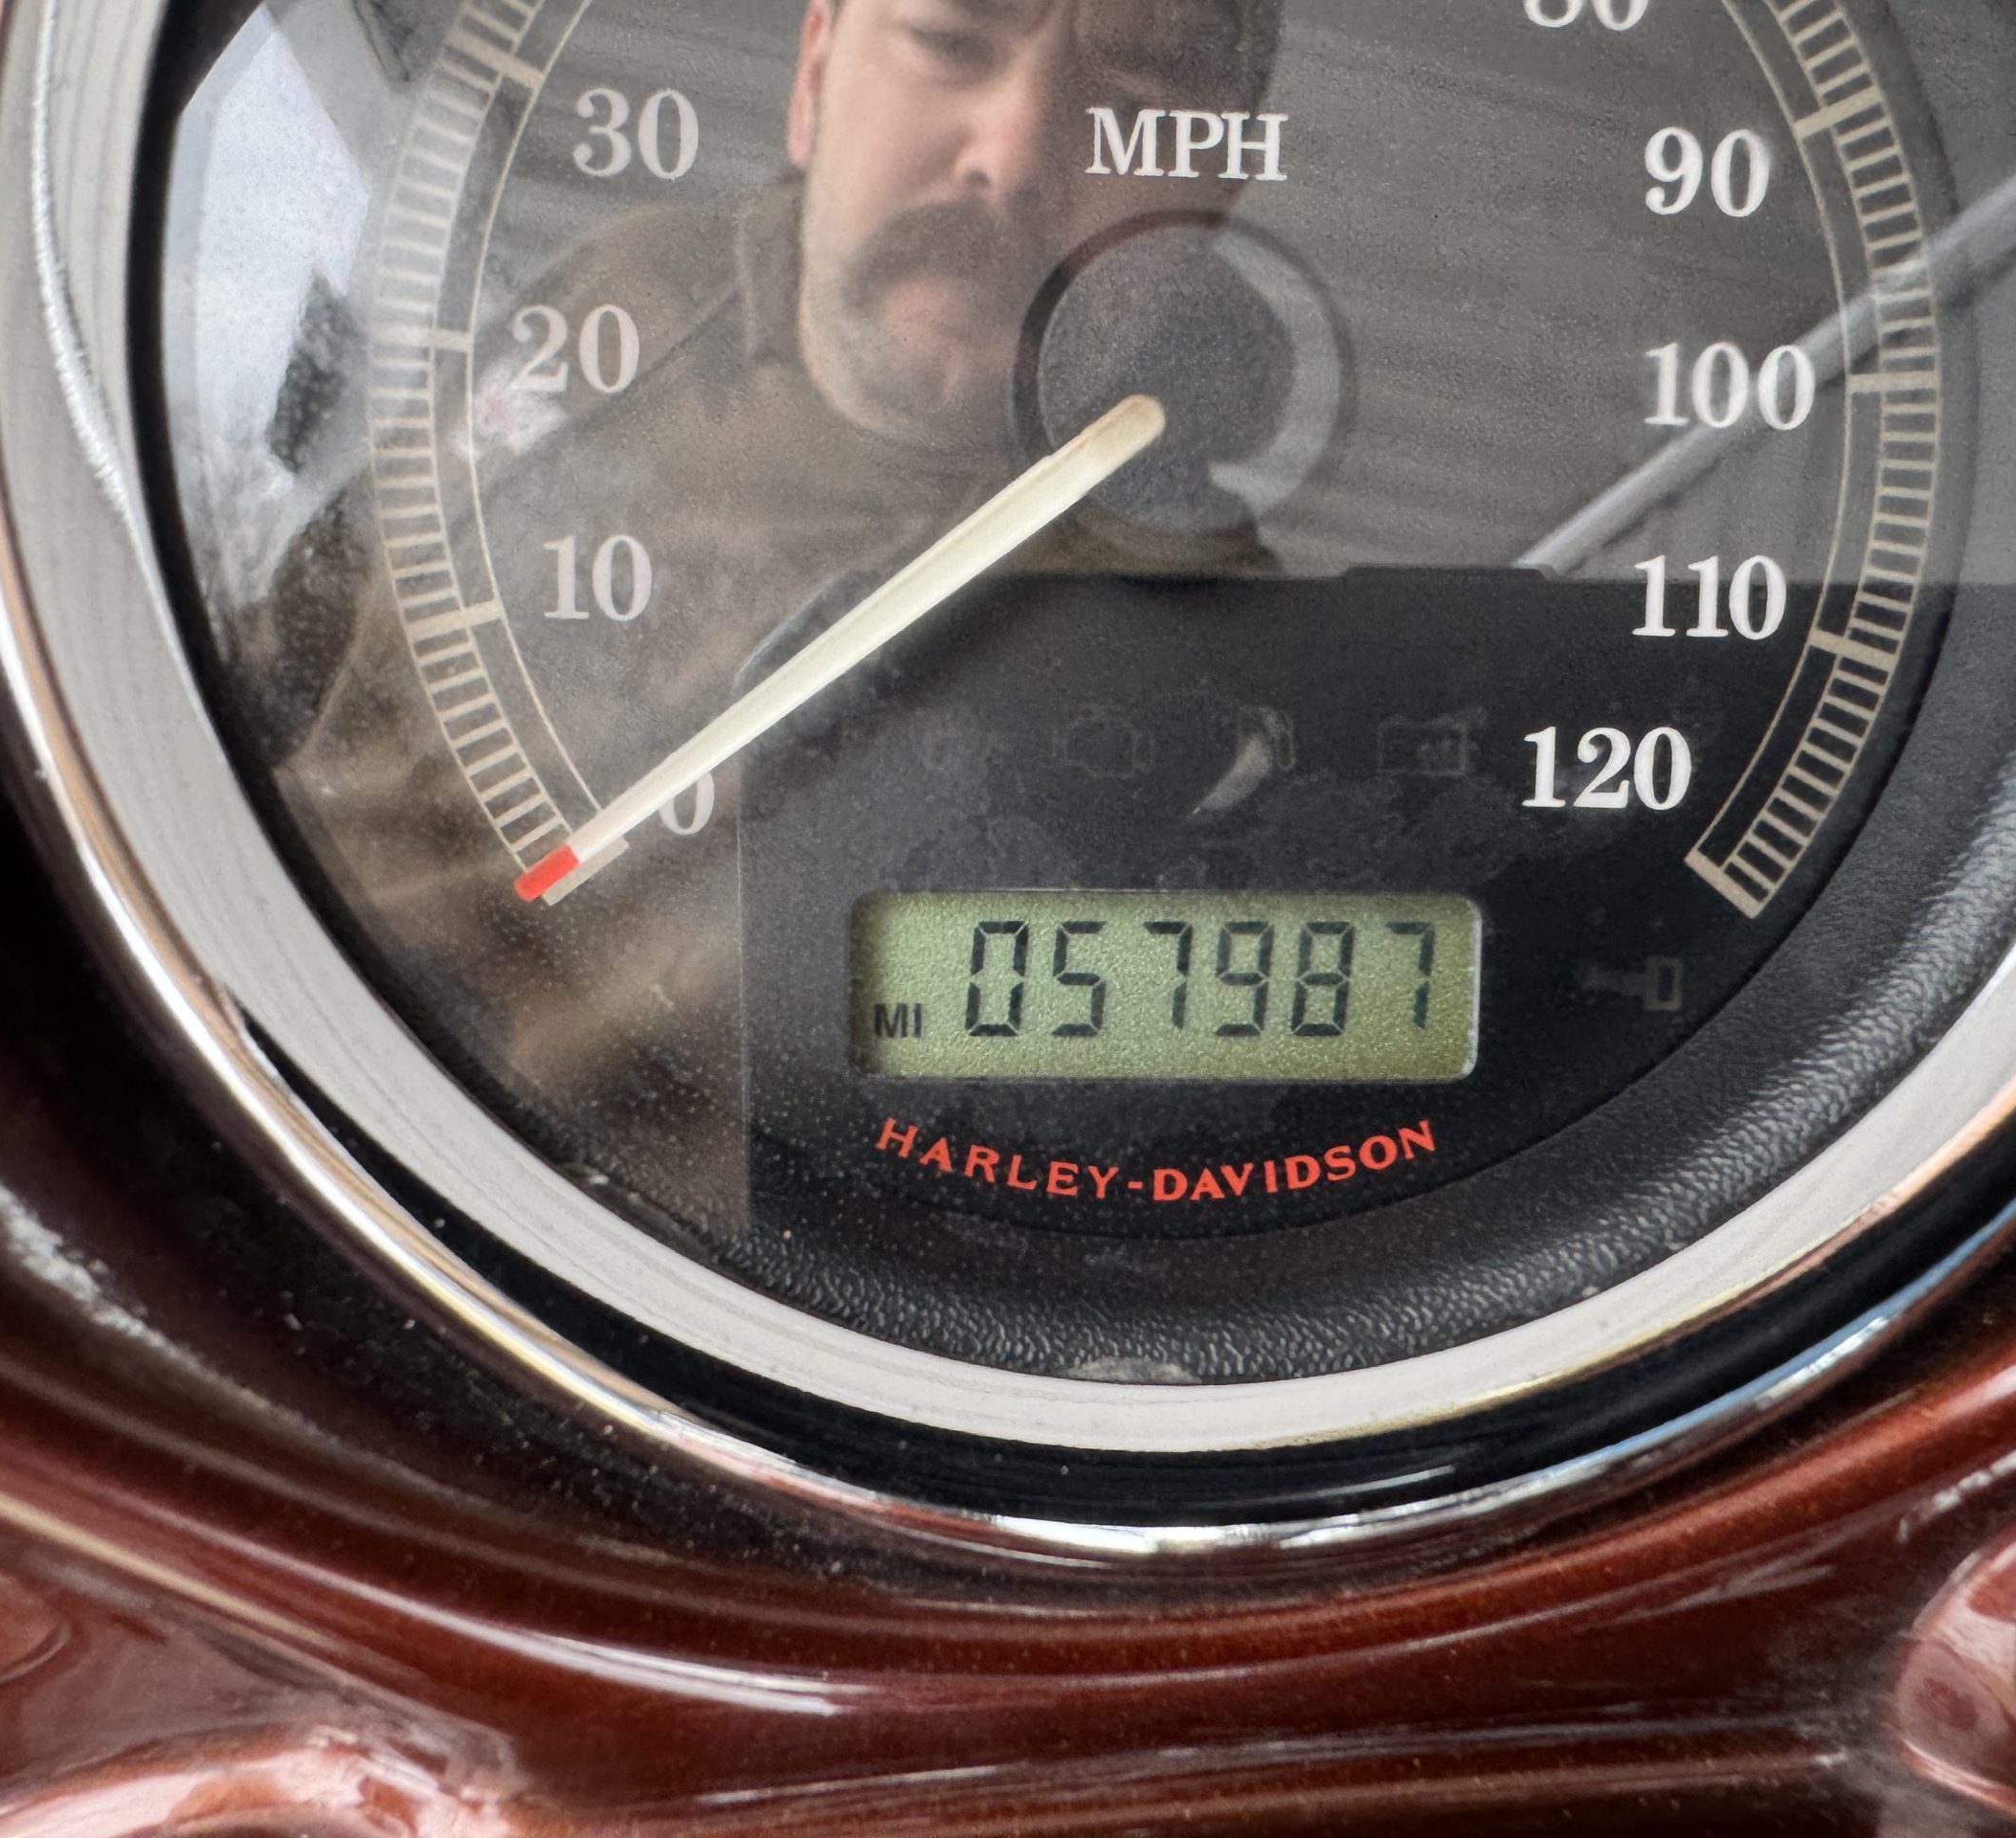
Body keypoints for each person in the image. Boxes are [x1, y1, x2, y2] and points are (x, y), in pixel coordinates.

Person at [230, 0, 1291, 1240]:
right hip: (242, 1042)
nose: (1011, 156)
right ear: (815, 71)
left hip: (607, 1255)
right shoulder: (628, 289)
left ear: (1214, 195)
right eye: (950, 40)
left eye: (1137, 102)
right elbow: (287, 641)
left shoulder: (1216, 668)